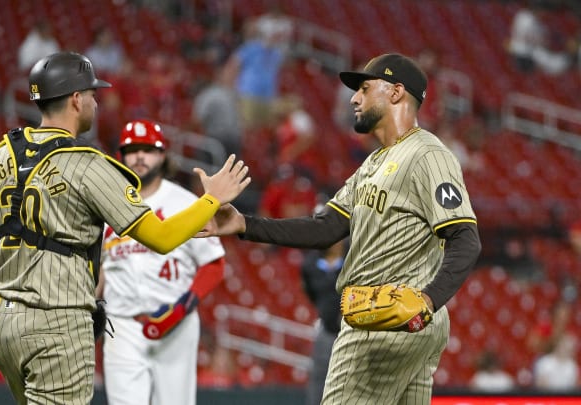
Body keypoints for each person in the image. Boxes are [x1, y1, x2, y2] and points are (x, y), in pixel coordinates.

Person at [0, 51, 250, 405]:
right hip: (56, 323)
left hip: (3, 323)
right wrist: (212, 199)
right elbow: (161, 237)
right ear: (76, 99)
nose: (95, 103)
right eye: (92, 95)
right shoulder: (86, 164)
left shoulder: (0, 155)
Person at [198, 53, 482, 404]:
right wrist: (245, 224)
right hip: (409, 325)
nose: (353, 98)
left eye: (364, 88)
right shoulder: (374, 163)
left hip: (381, 322)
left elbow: (466, 239)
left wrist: (427, 300)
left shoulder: (427, 155)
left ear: (396, 93)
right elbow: (327, 227)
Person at [101, 119, 227, 405]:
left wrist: (186, 305)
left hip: (176, 325)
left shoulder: (184, 202)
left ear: (163, 155)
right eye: (132, 149)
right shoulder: (107, 205)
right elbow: (99, 268)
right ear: (121, 155)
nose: (140, 157)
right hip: (122, 324)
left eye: (148, 149)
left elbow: (214, 263)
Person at [300, 237, 346, 405]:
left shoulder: (355, 256)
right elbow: (311, 293)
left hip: (355, 330)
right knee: (320, 379)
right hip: (327, 329)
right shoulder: (310, 264)